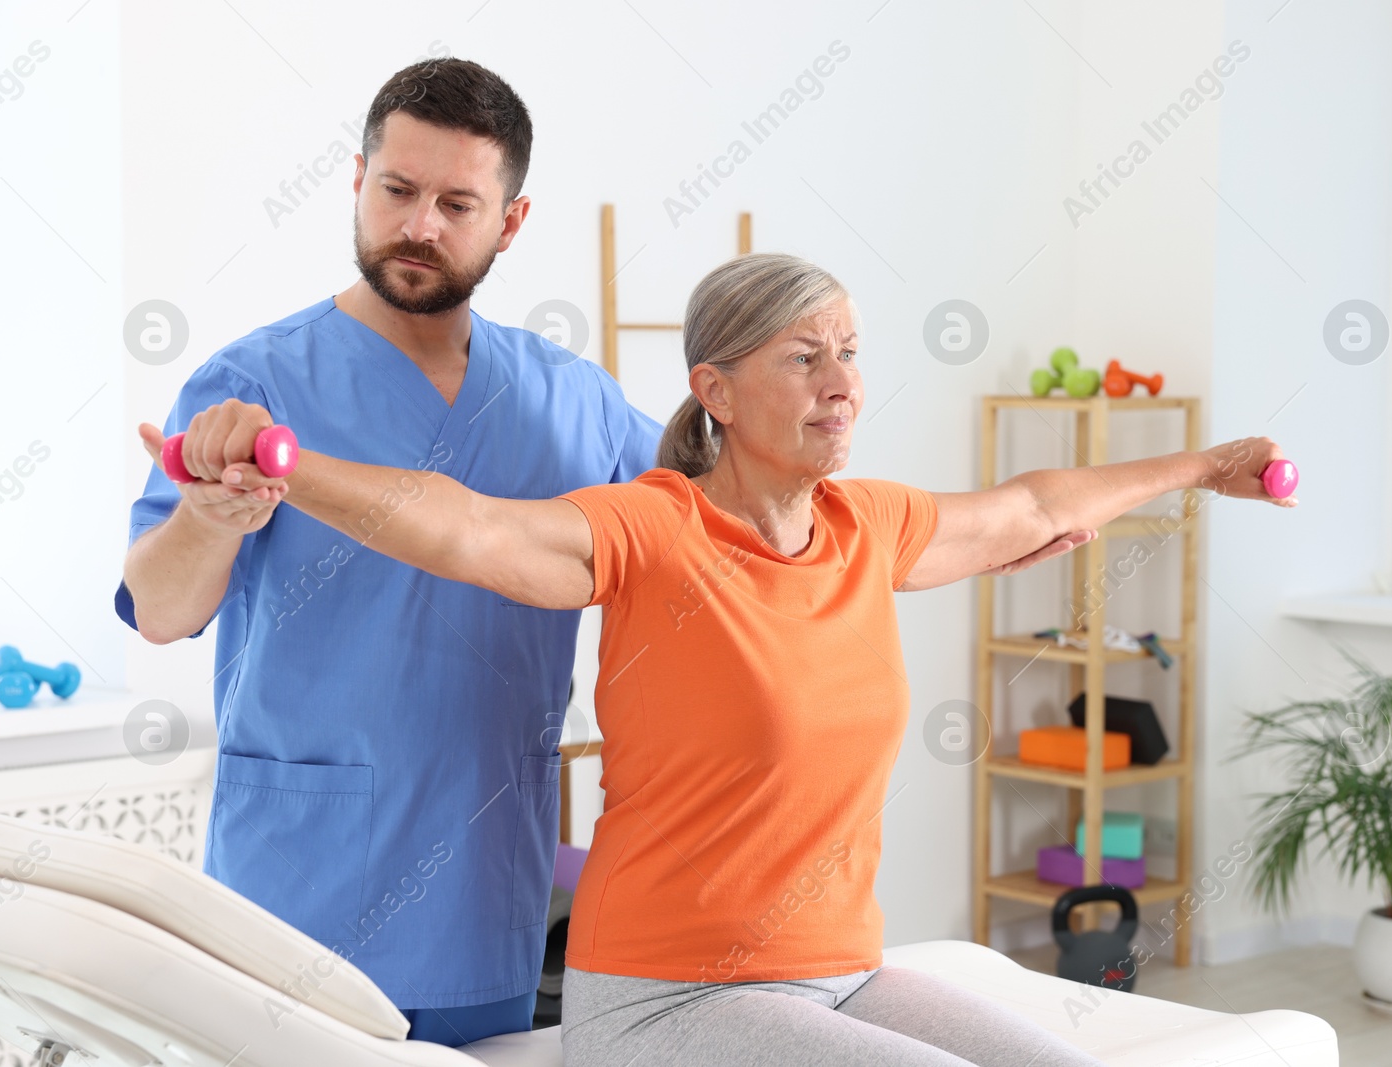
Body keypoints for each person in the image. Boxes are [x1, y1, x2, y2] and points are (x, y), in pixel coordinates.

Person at [141, 253, 1294, 1065]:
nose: (842, 381)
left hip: (838, 968)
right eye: (804, 357)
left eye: (848, 350)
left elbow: (1033, 500)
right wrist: (288, 474)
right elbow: (470, 525)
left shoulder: (866, 525)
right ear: (717, 391)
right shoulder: (652, 531)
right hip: (667, 998)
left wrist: (1197, 469)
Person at [117, 58, 663, 1046]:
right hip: (294, 894)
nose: (419, 225)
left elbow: (709, 522)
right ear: (357, 182)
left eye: (458, 202)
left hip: (480, 892)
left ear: (511, 221)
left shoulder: (575, 402)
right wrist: (208, 519)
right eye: (397, 190)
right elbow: (160, 608)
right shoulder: (252, 382)